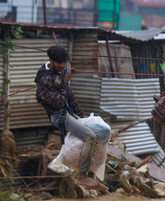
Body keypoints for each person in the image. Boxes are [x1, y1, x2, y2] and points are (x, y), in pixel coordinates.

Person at [34, 45, 109, 190]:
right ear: (51, 60)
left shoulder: (58, 72)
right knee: (90, 137)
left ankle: (91, 176)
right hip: (58, 116)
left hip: (69, 113)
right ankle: (82, 176)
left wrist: (82, 115)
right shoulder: (44, 79)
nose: (63, 65)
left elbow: (69, 97)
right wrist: (66, 81)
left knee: (101, 131)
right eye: (60, 63)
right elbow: (59, 102)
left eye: (64, 62)